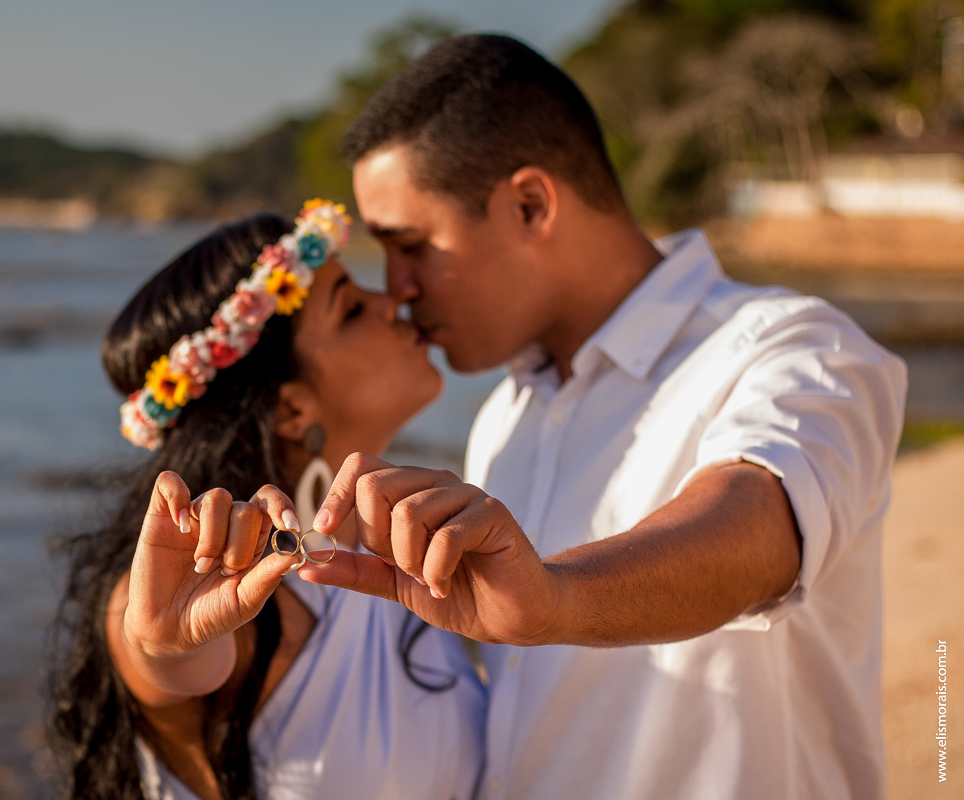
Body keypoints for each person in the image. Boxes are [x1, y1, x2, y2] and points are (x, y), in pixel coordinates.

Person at [296, 35, 908, 799]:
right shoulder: (505, 416)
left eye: (411, 245)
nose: (397, 287)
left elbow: (757, 522)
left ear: (530, 205)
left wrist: (554, 597)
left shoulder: (795, 348)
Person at [48, 202, 485, 800]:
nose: (391, 301)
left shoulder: (389, 550)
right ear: (291, 409)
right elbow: (168, 655)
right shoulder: (227, 596)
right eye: (352, 308)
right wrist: (159, 644)